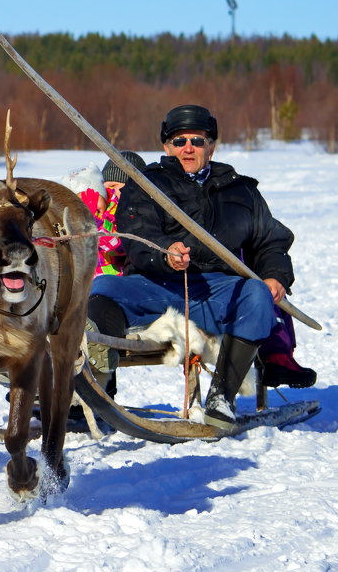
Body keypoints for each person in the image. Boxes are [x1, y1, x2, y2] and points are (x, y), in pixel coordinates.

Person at [84, 104, 314, 429]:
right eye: (179, 141)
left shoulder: (241, 190)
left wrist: (274, 275)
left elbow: (270, 239)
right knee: (103, 289)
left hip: (217, 290)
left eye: (196, 139)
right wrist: (165, 253)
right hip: (154, 284)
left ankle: (222, 400)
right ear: (166, 147)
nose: (187, 147)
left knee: (256, 295)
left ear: (212, 145)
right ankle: (94, 384)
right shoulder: (147, 184)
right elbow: (136, 234)